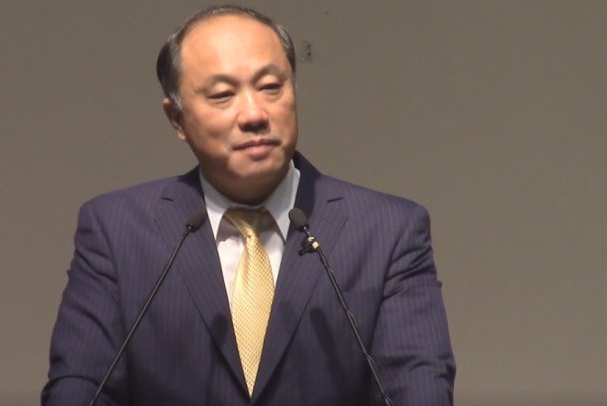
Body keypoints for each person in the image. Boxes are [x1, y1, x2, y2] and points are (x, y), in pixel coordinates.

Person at [42, 5, 455, 405]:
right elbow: (80, 388)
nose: (255, 114)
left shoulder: (388, 231)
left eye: (271, 87)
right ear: (177, 120)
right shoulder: (117, 232)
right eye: (223, 95)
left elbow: (418, 388)